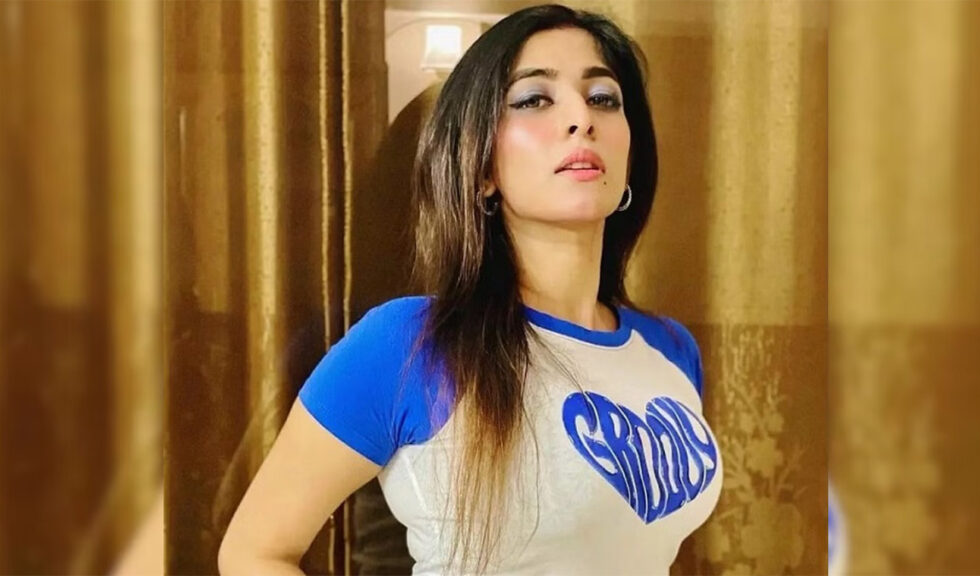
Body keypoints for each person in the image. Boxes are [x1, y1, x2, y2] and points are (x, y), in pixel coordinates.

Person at [219, 4, 722, 575]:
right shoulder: (411, 344)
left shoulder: (669, 350)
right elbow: (253, 552)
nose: (581, 117)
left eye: (603, 97)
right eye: (534, 99)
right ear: (481, 169)